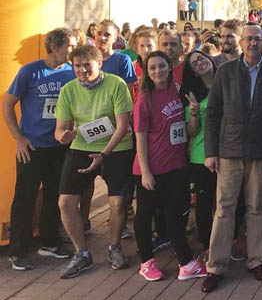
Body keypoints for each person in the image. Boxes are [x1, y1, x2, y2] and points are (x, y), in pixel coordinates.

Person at [201, 24, 262, 293]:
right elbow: (213, 113)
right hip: (229, 151)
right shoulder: (226, 72)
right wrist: (210, 152)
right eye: (248, 38)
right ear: (241, 42)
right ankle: (216, 266)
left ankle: (256, 262)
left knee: (255, 208)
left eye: (258, 39)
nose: (253, 43)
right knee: (224, 209)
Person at [54, 45, 134, 278]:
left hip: (116, 148)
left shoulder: (116, 84)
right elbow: (59, 130)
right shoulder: (68, 90)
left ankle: (114, 246)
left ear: (99, 63)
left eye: (87, 65)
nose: (82, 70)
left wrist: (104, 154)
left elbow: (123, 126)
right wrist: (63, 137)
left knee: (117, 203)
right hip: (81, 146)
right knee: (65, 202)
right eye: (77, 66)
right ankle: (82, 254)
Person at [3, 28, 77, 270]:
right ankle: (18, 250)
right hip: (32, 147)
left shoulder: (71, 72)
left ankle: (50, 242)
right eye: (70, 46)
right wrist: (19, 138)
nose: (73, 50)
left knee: (54, 195)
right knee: (25, 198)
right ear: (54, 47)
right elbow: (8, 104)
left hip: (59, 147)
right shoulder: (30, 71)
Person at [132, 51, 207, 281]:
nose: (157, 71)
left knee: (177, 215)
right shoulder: (145, 98)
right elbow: (140, 137)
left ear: (169, 66)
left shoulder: (177, 92)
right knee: (144, 216)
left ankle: (186, 263)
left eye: (161, 66)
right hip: (152, 168)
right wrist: (145, 172)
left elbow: (188, 129)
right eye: (152, 67)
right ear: (146, 71)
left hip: (177, 166)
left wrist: (193, 114)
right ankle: (146, 261)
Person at [180, 50, 217, 255]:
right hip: (201, 155)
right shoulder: (193, 94)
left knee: (227, 203)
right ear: (193, 72)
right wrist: (194, 112)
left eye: (202, 57)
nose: (200, 62)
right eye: (195, 63)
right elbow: (191, 132)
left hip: (227, 152)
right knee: (204, 203)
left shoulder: (225, 83)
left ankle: (228, 241)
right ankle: (208, 245)